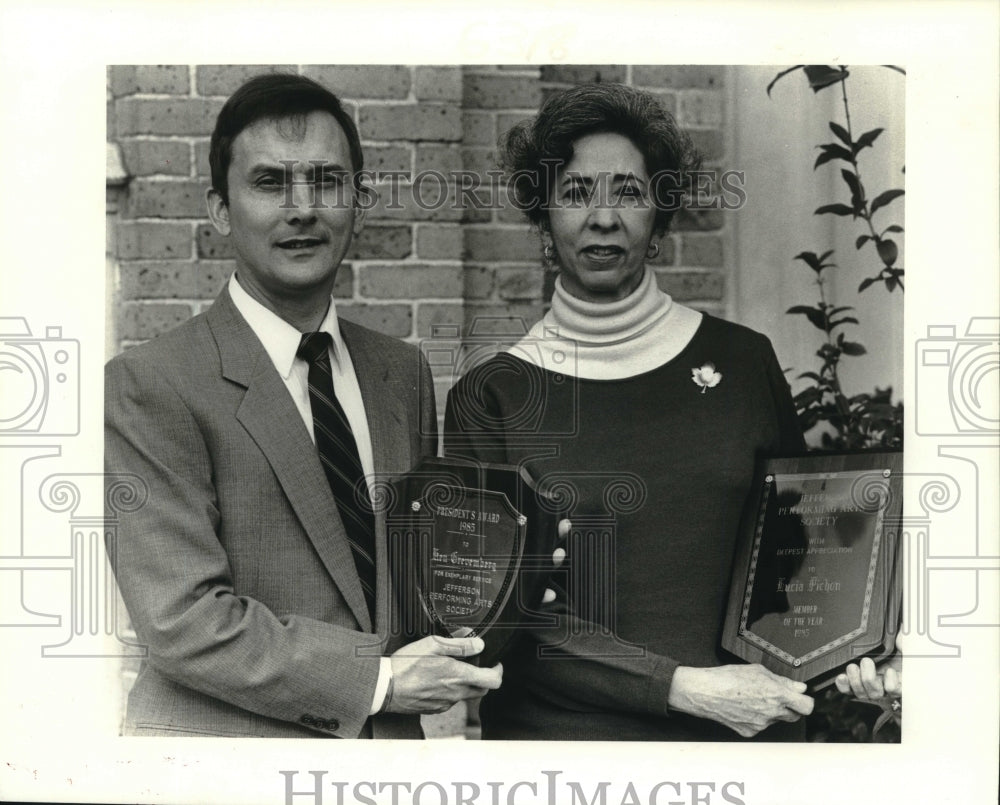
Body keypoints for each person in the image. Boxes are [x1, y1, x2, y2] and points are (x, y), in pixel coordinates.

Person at [105, 73, 501, 738]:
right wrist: (378, 682)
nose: (302, 208)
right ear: (220, 209)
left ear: (359, 201)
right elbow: (183, 619)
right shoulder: (153, 382)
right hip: (228, 766)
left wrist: (511, 576)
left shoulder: (399, 372)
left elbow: (413, 583)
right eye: (269, 183)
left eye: (325, 180)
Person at [444, 83, 815, 740]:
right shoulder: (492, 395)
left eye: (629, 191)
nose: (603, 216)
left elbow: (797, 557)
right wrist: (684, 688)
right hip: (567, 760)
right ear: (543, 213)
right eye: (576, 192)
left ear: (661, 210)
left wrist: (862, 654)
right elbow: (499, 621)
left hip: (744, 749)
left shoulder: (743, 362)